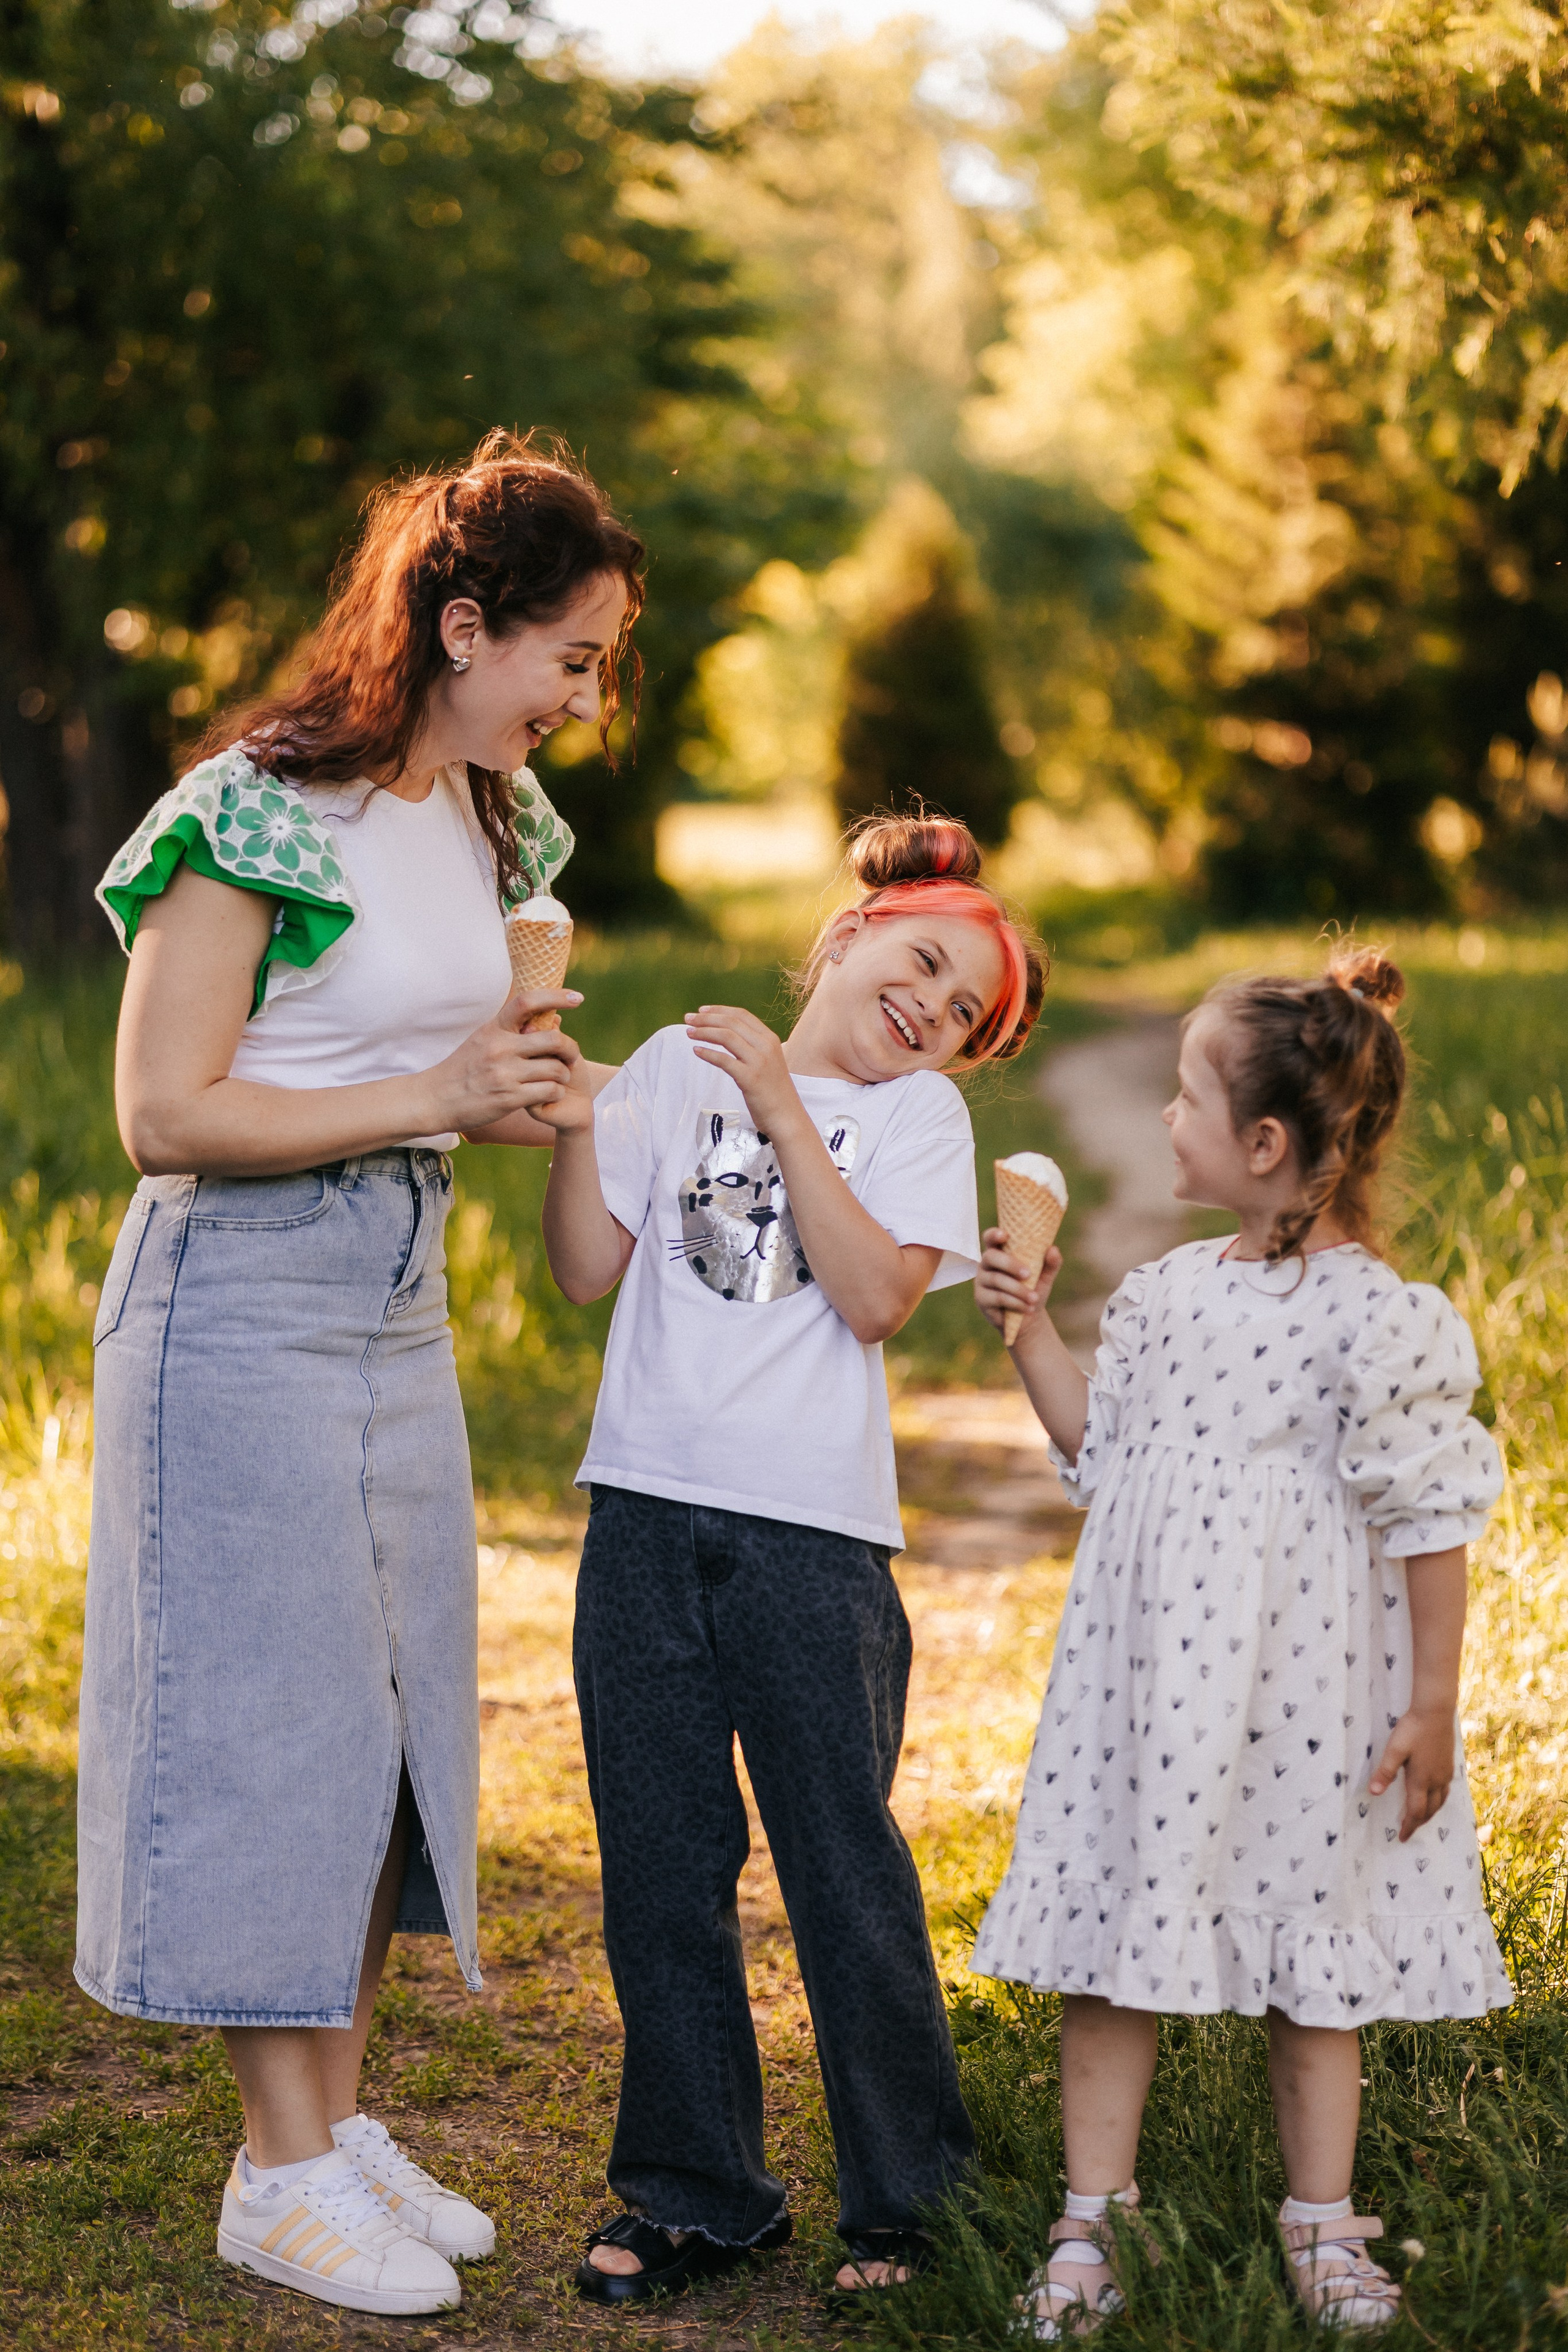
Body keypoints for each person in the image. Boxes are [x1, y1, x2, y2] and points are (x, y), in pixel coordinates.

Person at [77, 432, 642, 2318]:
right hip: (234, 1308)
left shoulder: (491, 825)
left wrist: (529, 1103)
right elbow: (166, 1113)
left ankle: (332, 2128)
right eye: (569, 657)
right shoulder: (252, 816)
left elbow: (427, 1075)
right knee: (270, 1739)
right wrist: (436, 1098)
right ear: (462, 625)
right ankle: (278, 2172)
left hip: (393, 1294)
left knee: (387, 1741)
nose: (587, 697)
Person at [531, 815, 1046, 2305]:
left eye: (962, 1019)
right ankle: (696, 2190)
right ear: (847, 936)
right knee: (659, 1868)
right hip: (639, 1510)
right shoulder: (671, 1069)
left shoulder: (913, 1126)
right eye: (925, 965)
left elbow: (877, 1294)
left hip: (809, 1541)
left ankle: (907, 2199)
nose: (930, 1012)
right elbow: (583, 1269)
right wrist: (580, 1122)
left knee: (839, 1859)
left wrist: (780, 1095)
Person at [971, 943, 1508, 2338]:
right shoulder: (1158, 1293)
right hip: (1149, 1681)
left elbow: (1428, 1513)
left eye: (1183, 1096)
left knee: (1306, 1945)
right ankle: (1091, 2216)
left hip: (1305, 1690)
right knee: (1113, 1942)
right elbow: (1099, 1456)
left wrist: (1432, 1699)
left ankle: (1320, 2223)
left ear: (1263, 1143)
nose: (1162, 1116)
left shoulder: (1375, 1322)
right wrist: (1030, 1331)